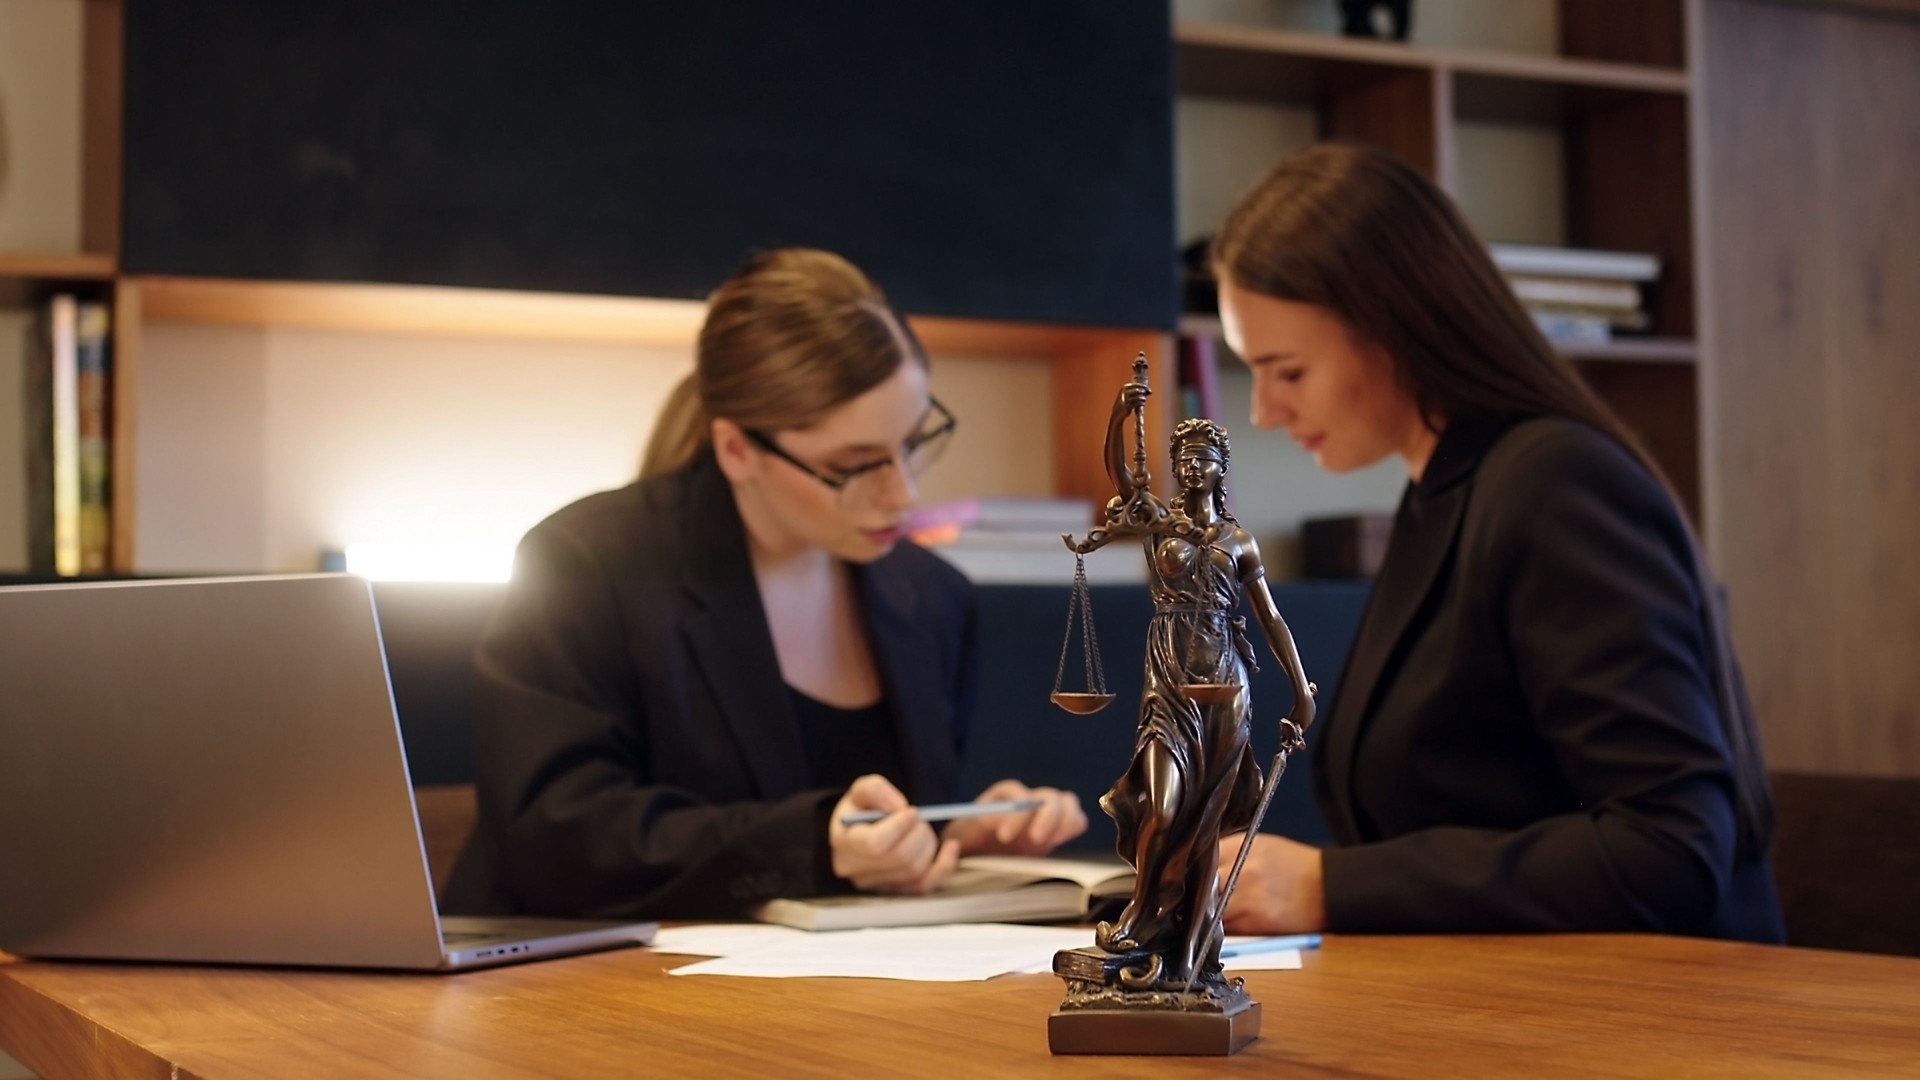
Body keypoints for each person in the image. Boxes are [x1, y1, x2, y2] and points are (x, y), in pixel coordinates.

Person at [1206, 143, 1785, 942]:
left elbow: (1669, 848)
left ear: (1396, 329)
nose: (1264, 411)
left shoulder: (1555, 485)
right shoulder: (1445, 492)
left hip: (1655, 1026)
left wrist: (1334, 888)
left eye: (1288, 372)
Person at [442, 248, 1086, 919]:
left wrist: (949, 835)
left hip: (839, 991)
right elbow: (555, 836)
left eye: (912, 443)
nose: (903, 493)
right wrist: (813, 845)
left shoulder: (931, 596)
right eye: (853, 465)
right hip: (588, 990)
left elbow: (874, 823)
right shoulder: (586, 563)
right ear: (737, 450)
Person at [1070, 379, 1315, 990]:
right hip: (1170, 687)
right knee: (1164, 806)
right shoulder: (1157, 524)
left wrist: (1302, 688)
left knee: (1206, 827)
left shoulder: (1239, 541)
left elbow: (1272, 618)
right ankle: (1141, 916)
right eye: (1183, 459)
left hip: (1227, 692)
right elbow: (1122, 476)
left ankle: (1188, 957)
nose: (1191, 467)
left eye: (1203, 458)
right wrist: (1120, 414)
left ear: (1220, 469)